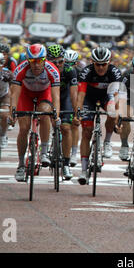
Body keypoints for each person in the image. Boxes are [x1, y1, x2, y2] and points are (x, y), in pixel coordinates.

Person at [9, 44, 61, 182]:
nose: (36, 64)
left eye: (39, 60)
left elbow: (56, 96)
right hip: (25, 95)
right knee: (24, 128)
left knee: (45, 113)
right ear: (28, 60)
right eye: (32, 61)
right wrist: (12, 112)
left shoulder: (52, 69)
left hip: (44, 93)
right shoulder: (21, 69)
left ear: (44, 59)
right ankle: (20, 165)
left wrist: (57, 115)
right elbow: (14, 94)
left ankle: (44, 152)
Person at [76, 47, 122, 185]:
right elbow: (81, 95)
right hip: (88, 99)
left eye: (104, 64)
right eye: (97, 64)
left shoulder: (115, 72)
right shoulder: (86, 72)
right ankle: (84, 170)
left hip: (106, 97)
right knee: (86, 132)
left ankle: (107, 142)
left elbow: (116, 97)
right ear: (92, 62)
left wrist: (118, 121)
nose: (101, 67)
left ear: (109, 62)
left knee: (112, 110)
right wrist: (77, 114)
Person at [47, 45, 78, 180]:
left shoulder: (70, 70)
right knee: (48, 121)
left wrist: (76, 112)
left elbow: (74, 94)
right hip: (48, 97)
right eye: (54, 62)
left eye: (61, 61)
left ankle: (66, 164)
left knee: (66, 128)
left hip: (65, 98)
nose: (58, 64)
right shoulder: (45, 70)